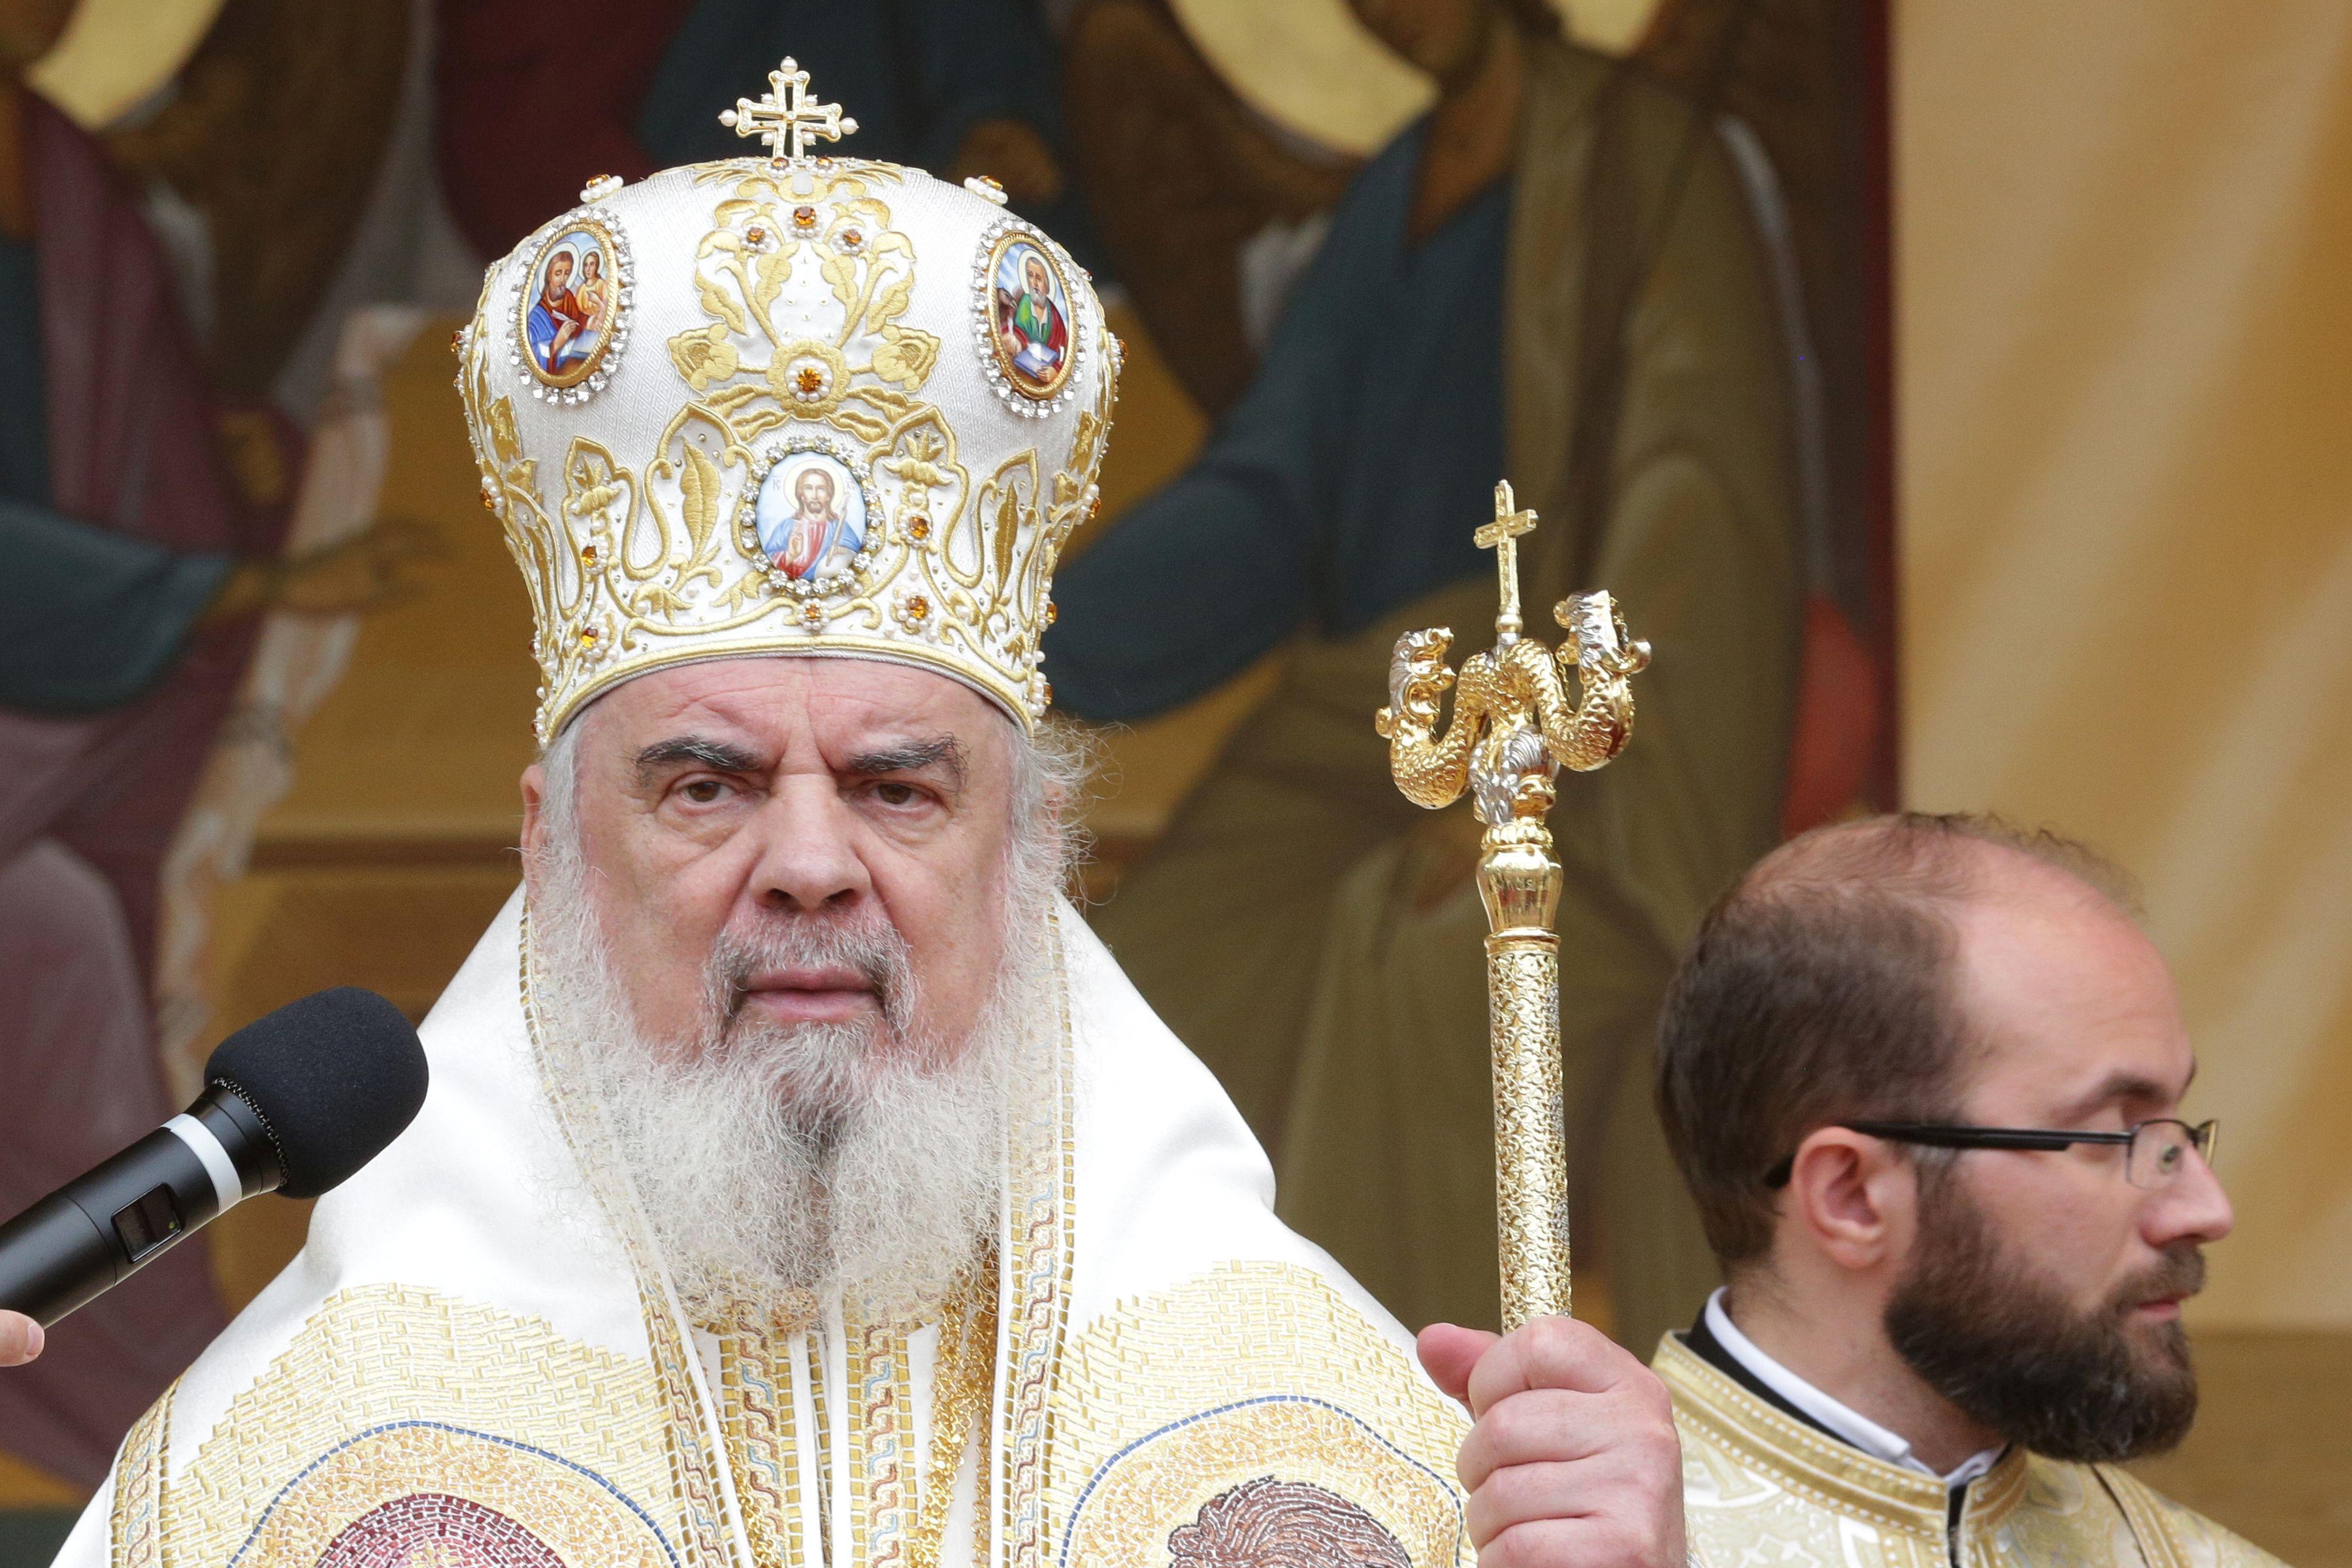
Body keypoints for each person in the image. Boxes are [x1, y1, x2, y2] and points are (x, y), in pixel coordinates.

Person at [54, 70, 1682, 1568]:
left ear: (1033, 845)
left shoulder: (1324, 1448)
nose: (812, 865)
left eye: (899, 787)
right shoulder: (276, 1477)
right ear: (549, 842)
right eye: (707, 785)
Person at [1044, 0, 1802, 1350]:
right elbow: (1272, 492)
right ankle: (1159, 1393)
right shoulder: (1394, 188)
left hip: (1580, 718)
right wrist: (1024, 638)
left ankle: (1409, 1414)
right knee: (1135, 979)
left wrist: (1545, 787)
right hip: (1368, 711)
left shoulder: (1645, 158)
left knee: (1421, 958)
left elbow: (1693, 498)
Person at [1650, 812, 2278, 1566]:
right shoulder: (1557, 1543)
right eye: (2116, 1134)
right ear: (1852, 1195)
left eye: (2176, 1136)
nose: (2207, 1210)